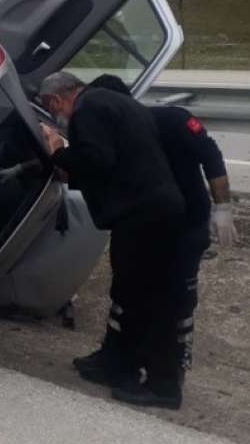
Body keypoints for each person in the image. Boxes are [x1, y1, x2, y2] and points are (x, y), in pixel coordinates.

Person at [73, 74, 238, 383]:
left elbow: (210, 153)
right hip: (147, 226)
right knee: (128, 294)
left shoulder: (167, 119)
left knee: (179, 296)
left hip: (186, 225)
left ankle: (172, 367)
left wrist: (223, 207)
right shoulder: (115, 136)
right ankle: (114, 357)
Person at [38, 71, 186, 409]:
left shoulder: (89, 107)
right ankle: (116, 364)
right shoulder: (119, 102)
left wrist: (59, 153)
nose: (56, 116)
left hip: (143, 217)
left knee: (146, 301)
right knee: (132, 295)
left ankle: (159, 386)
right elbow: (117, 159)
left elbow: (97, 159)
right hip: (156, 213)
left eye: (52, 108)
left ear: (57, 99)